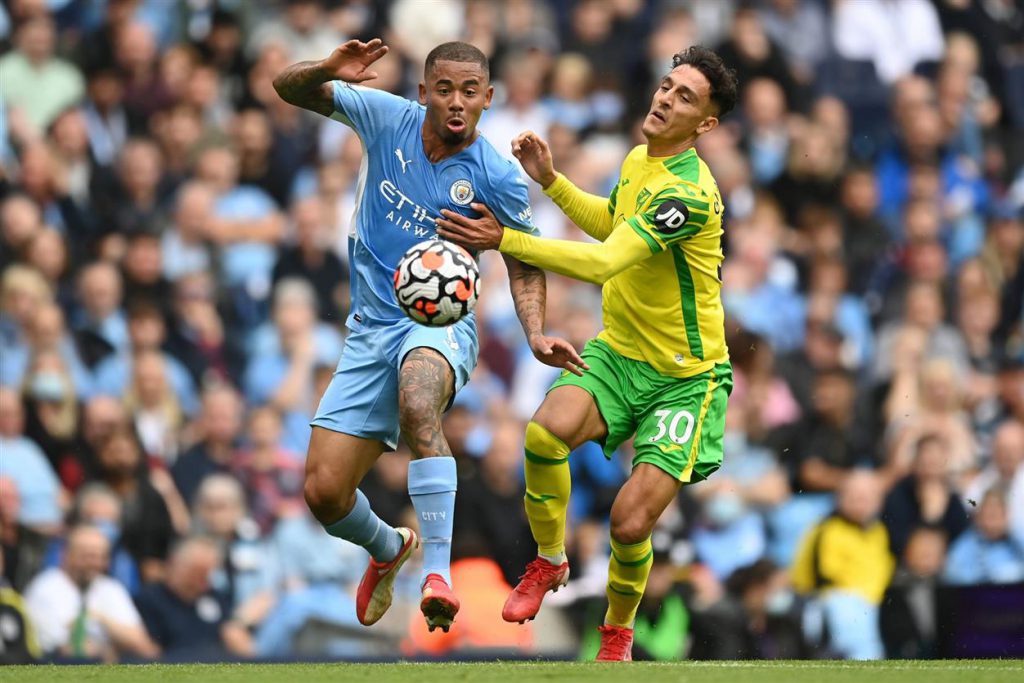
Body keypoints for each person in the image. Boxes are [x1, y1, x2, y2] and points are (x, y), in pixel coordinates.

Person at [436, 45, 738, 660]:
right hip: (620, 354)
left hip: (686, 379)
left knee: (629, 521)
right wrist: (552, 183)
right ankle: (550, 559)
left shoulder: (689, 195)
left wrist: (505, 239)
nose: (665, 98)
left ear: (706, 124)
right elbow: (612, 224)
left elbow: (605, 263)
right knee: (543, 435)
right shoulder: (639, 160)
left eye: (685, 97)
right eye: (666, 85)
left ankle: (617, 632)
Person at [272, 38, 582, 632]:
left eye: (470, 91)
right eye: (444, 89)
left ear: (488, 98)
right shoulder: (386, 117)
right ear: (423, 93)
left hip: (441, 325)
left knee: (419, 396)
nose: (456, 101)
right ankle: (389, 548)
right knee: (325, 494)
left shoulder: (498, 176)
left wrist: (536, 333)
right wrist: (327, 69)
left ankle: (436, 574)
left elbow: (524, 261)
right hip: (369, 328)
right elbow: (288, 88)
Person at [23, 525, 158, 661]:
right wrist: (108, 650)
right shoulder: (45, 588)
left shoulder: (111, 588)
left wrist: (102, 619)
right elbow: (66, 650)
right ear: (66, 555)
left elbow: (145, 646)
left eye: (102, 557)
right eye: (88, 556)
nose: (96, 563)